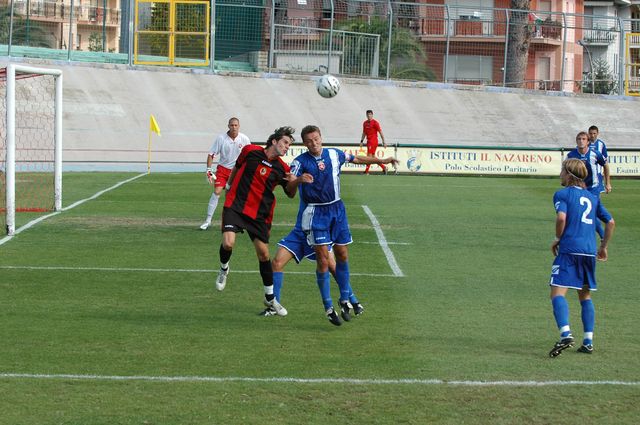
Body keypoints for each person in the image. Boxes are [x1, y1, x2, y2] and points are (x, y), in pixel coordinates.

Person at [288, 125, 398, 326]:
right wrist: (298, 181)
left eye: (316, 138)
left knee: (342, 254)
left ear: (321, 137)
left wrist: (381, 161)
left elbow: (358, 159)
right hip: (315, 213)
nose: (314, 143)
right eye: (310, 141)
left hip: (337, 211)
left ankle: (345, 298)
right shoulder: (299, 162)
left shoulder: (334, 154)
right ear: (305, 143)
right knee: (323, 260)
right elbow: (289, 188)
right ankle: (328, 306)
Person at [214, 126, 298, 317]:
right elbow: (236, 167)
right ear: (274, 141)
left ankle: (270, 299)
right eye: (285, 142)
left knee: (263, 255)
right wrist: (229, 186)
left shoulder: (283, 168)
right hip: (236, 206)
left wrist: (296, 181)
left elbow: (290, 194)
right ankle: (223, 269)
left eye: (289, 145)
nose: (287, 147)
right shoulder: (250, 150)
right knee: (228, 243)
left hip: (259, 215)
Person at [548, 158, 614, 358]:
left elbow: (561, 217)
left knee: (557, 293)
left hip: (569, 251)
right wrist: (603, 246)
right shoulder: (593, 197)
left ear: (569, 174)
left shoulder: (562, 194)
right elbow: (610, 222)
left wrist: (558, 238)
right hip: (588, 252)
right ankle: (588, 341)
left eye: (562, 170)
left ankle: (566, 333)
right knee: (584, 296)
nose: (560, 174)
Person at [266, 198, 364, 320]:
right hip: (299, 231)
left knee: (333, 267)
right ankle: (274, 307)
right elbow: (290, 189)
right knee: (276, 263)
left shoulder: (321, 184)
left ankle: (354, 301)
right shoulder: (301, 179)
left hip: (317, 230)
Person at [200, 117, 251, 230]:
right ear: (228, 126)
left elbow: (250, 155)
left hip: (237, 171)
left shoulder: (244, 139)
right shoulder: (221, 138)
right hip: (223, 170)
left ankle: (233, 221)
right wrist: (208, 169)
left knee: (233, 197)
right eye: (231, 125)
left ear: (239, 126)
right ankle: (207, 221)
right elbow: (211, 154)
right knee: (217, 191)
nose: (234, 127)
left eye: (236, 125)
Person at [567, 131, 610, 239]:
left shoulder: (595, 154)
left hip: (594, 188)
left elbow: (606, 166)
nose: (581, 141)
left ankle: (602, 236)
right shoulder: (571, 155)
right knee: (584, 211)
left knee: (591, 211)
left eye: (583, 139)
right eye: (579, 139)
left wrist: (608, 183)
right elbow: (567, 171)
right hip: (579, 188)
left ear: (588, 142)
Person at [359, 110, 388, 175]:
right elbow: (364, 133)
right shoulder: (365, 123)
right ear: (366, 115)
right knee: (372, 158)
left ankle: (366, 172)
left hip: (373, 141)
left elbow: (380, 132)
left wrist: (384, 141)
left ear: (372, 115)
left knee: (369, 157)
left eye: (370, 114)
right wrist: (361, 141)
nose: (369, 116)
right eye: (368, 114)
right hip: (368, 141)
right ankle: (384, 167)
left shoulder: (375, 123)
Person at [587, 125, 612, 194]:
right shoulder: (584, 143)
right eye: (591, 133)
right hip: (586, 175)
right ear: (588, 133)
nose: (592, 135)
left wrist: (608, 183)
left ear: (597, 133)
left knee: (597, 197)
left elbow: (605, 163)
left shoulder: (601, 144)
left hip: (598, 175)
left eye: (594, 133)